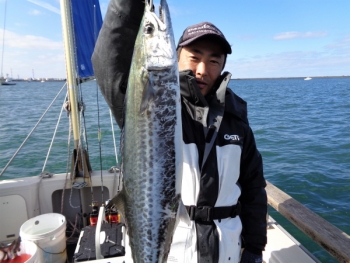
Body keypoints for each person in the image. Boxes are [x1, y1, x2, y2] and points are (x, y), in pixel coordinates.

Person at [92, 1, 267, 262]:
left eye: (213, 61)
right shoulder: (158, 105)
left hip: (226, 251)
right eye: (194, 57)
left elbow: (253, 189)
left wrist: (254, 247)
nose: (202, 70)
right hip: (170, 249)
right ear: (176, 56)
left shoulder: (237, 122)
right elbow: (108, 61)